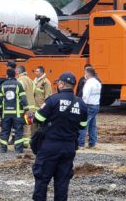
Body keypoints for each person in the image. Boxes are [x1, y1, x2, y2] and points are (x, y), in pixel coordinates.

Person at [32, 72, 88, 200]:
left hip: (50, 146)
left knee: (42, 180)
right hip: (68, 147)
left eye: (58, 83)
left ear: (62, 84)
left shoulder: (53, 100)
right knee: (62, 182)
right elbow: (82, 126)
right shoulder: (81, 104)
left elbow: (38, 118)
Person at [0, 68, 29, 153]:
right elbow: (23, 99)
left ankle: (3, 149)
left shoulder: (3, 85)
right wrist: (26, 109)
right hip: (17, 114)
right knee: (18, 131)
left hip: (6, 114)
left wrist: (0, 111)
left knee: (5, 131)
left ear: (7, 75)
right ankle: (18, 150)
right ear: (15, 75)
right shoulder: (18, 85)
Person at [78, 67, 102, 149]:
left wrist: (82, 106)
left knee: (83, 125)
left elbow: (85, 96)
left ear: (87, 73)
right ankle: (92, 143)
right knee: (92, 125)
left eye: (85, 72)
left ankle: (80, 143)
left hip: (88, 105)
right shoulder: (97, 82)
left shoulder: (88, 83)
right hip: (96, 105)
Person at [16, 65, 36, 147]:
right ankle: (27, 142)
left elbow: (19, 94)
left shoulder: (20, 80)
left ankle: (24, 143)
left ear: (19, 71)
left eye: (16, 71)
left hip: (24, 106)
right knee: (28, 124)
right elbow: (34, 91)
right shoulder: (30, 79)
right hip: (31, 106)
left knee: (23, 125)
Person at [33, 66, 52, 134]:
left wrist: (45, 108)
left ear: (41, 72)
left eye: (37, 71)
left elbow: (48, 96)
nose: (35, 72)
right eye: (35, 71)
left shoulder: (46, 82)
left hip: (41, 108)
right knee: (34, 126)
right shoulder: (35, 81)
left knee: (42, 126)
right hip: (34, 108)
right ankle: (34, 139)